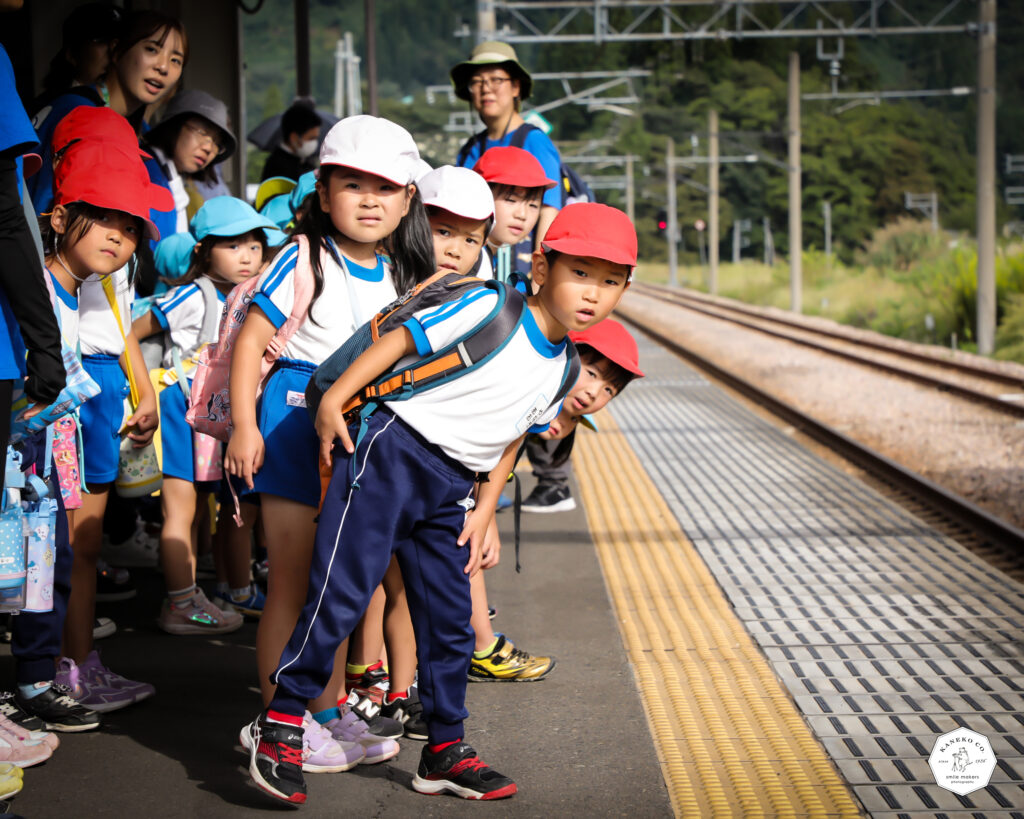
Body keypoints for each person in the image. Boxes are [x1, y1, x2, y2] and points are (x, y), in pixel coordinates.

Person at [245, 202, 637, 805]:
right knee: (340, 595)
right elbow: (400, 340)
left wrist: (485, 507)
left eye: (610, 282)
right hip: (389, 453)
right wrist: (335, 400)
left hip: (452, 487)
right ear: (541, 267)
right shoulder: (491, 307)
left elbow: (512, 438)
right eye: (580, 273)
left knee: (450, 621)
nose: (593, 292)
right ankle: (280, 724)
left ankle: (445, 750)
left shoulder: (564, 368)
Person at [224, 115, 433, 766]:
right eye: (352, 184)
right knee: (292, 581)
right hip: (292, 421)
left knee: (337, 584)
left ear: (407, 199)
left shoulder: (402, 273)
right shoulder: (303, 256)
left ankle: (324, 708)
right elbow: (251, 342)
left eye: (385, 187)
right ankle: (276, 719)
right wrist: (244, 425)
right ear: (322, 192)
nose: (370, 200)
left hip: (359, 430)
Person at [21, 128, 170, 719]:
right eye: (103, 217)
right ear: (59, 216)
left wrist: (141, 386)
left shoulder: (97, 274)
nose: (116, 234)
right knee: (47, 549)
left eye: (129, 226)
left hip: (95, 397)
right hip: (51, 414)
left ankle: (68, 666)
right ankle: (48, 672)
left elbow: (123, 324)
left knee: (73, 547)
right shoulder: (35, 285)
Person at [132, 197, 277, 636]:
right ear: (203, 251)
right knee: (180, 509)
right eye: (232, 245)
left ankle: (199, 594)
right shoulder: (192, 295)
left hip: (218, 414)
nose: (247, 255)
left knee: (206, 509)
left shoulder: (251, 295)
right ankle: (180, 602)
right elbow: (131, 334)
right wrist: (146, 394)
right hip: (182, 409)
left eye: (254, 245)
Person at [28, 9, 188, 219]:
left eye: (176, 60)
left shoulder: (136, 129)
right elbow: (41, 205)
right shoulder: (78, 112)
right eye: (151, 49)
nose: (163, 67)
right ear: (116, 50)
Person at [451, 41, 562, 250]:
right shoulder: (469, 150)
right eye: (477, 82)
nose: (486, 88)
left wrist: (539, 267)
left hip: (521, 264)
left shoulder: (534, 141)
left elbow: (549, 211)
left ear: (516, 87)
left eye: (496, 80)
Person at [142, 89, 237, 232]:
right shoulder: (147, 171)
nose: (208, 148)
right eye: (202, 132)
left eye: (217, 143)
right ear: (174, 124)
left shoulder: (170, 175)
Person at [472, 146, 555, 282]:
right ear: (480, 195)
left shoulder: (484, 256)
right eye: (511, 200)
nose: (522, 215)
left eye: (533, 205)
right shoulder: (469, 260)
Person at [30, 2, 123, 120]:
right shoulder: (52, 109)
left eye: (120, 43)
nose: (113, 50)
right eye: (102, 41)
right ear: (72, 55)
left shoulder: (132, 107)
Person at [260, 102, 321, 182]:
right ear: (294, 137)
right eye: (311, 138)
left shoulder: (303, 161)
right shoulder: (278, 167)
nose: (314, 143)